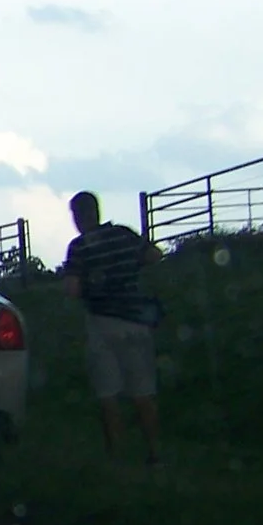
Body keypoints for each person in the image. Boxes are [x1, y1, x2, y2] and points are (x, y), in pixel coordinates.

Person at [59, 190, 166, 466]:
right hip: (137, 320)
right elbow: (154, 255)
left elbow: (72, 289)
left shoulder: (80, 247)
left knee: (108, 395)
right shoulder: (123, 234)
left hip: (102, 323)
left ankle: (117, 457)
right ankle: (155, 451)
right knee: (143, 392)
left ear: (77, 216)